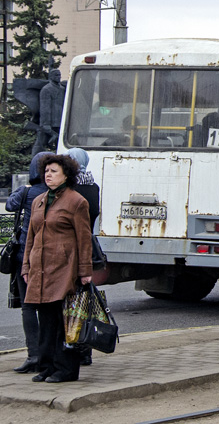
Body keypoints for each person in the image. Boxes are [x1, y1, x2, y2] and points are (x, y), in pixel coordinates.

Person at [23, 153, 92, 384]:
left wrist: (85, 271)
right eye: (46, 171)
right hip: (40, 269)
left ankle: (66, 369)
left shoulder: (76, 201)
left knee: (65, 322)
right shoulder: (39, 200)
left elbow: (84, 239)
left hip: (64, 268)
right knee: (46, 321)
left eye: (54, 171)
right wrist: (26, 266)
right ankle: (46, 367)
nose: (48, 175)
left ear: (66, 175)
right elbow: (31, 237)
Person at [5, 152, 51, 373]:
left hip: (25, 255)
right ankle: (51, 353)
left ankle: (34, 355)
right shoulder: (60, 193)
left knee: (28, 307)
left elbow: (9, 206)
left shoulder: (27, 192)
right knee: (50, 307)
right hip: (52, 257)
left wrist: (22, 188)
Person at [66, 148, 100, 367]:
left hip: (73, 249)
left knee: (70, 301)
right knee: (83, 301)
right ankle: (85, 350)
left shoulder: (70, 190)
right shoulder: (93, 187)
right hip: (88, 247)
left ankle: (73, 346)